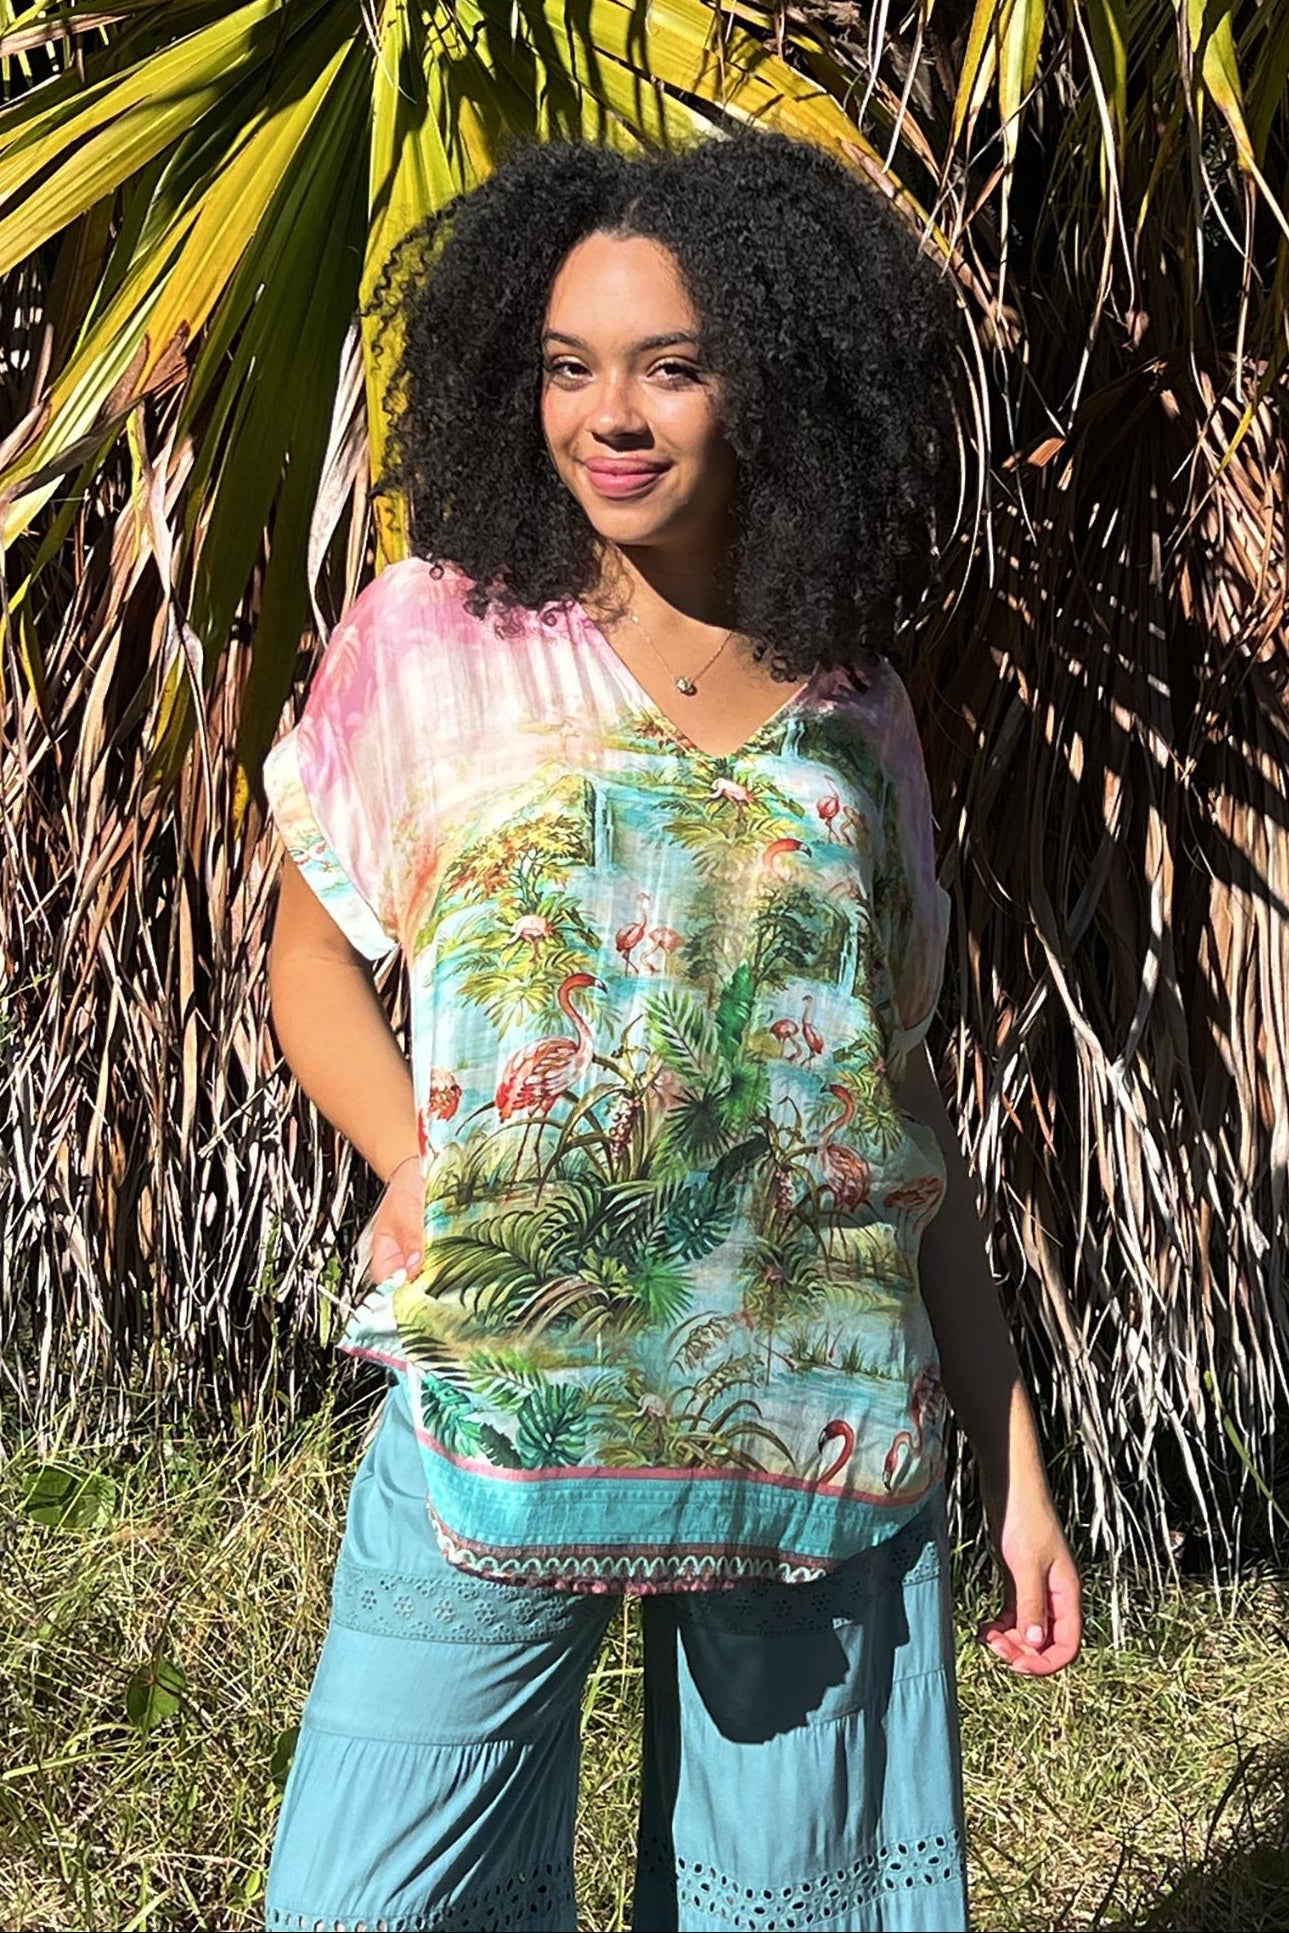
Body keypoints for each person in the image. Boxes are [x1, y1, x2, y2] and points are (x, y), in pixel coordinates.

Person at [259, 131, 1081, 1933]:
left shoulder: (855, 714)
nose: (609, 418)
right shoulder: (433, 638)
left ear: (769, 385)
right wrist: (412, 1157)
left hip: (817, 1426)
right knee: (361, 1902)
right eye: (568, 366)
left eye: (669, 367)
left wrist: (1011, 1461)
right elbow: (307, 959)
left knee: (795, 1912)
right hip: (504, 1397)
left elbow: (895, 1102)